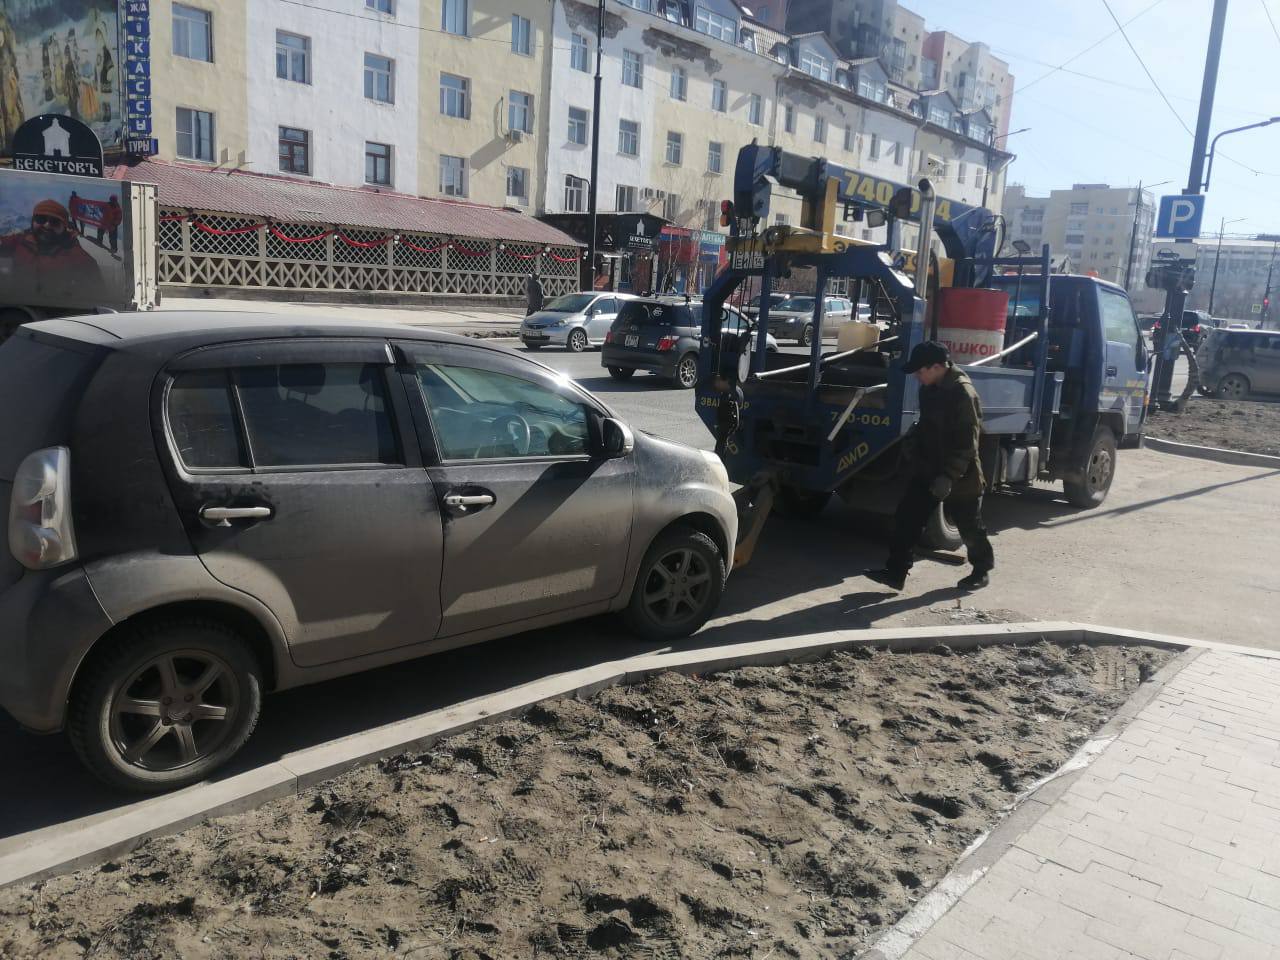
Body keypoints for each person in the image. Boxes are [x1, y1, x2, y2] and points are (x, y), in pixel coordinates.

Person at [866, 341, 994, 592]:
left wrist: (948, 477)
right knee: (906, 519)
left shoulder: (962, 393)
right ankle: (895, 572)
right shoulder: (930, 388)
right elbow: (926, 425)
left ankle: (981, 570)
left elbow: (968, 444)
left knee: (969, 526)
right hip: (927, 469)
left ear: (937, 367)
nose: (916, 376)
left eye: (920, 371)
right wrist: (912, 442)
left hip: (960, 475)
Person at [0, 199, 103, 290]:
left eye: (55, 222)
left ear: (65, 227)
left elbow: (96, 298)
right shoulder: (20, 241)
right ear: (33, 221)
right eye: (41, 219)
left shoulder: (81, 260)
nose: (47, 225)